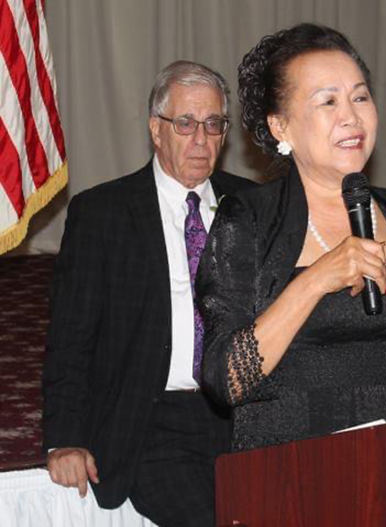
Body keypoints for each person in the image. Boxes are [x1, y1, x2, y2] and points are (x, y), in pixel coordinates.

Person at [196, 24, 386, 452]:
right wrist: (315, 280)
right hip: (288, 465)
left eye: (360, 97)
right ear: (281, 126)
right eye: (328, 101)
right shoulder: (248, 219)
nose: (351, 117)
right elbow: (226, 379)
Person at [42, 60, 256, 526]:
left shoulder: (253, 206)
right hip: (155, 421)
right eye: (185, 123)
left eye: (213, 124)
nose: (201, 139)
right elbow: (71, 337)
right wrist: (65, 437)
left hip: (246, 419)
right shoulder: (103, 213)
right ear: (156, 129)